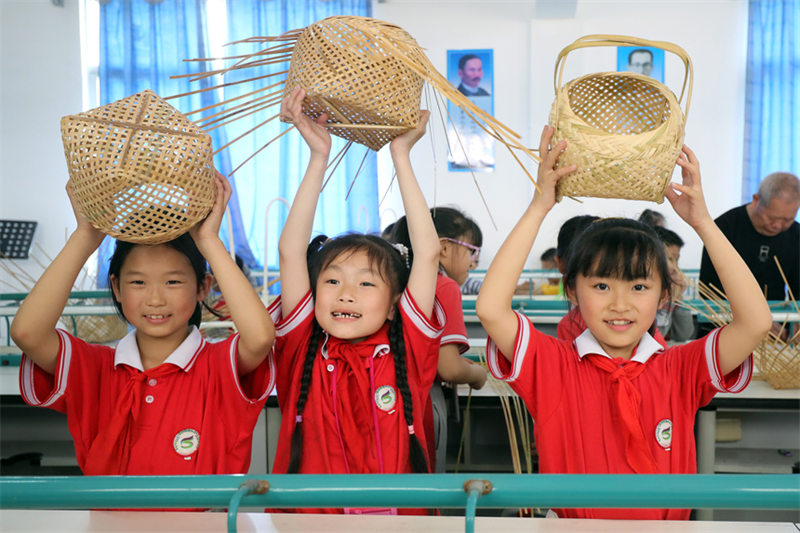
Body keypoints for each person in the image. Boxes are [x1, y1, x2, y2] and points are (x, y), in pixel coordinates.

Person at [475, 126, 771, 520]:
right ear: (573, 291)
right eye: (600, 284)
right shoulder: (554, 366)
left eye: (638, 286)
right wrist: (538, 207)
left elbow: (755, 323)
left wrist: (703, 223)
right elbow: (492, 309)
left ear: (664, 295)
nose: (620, 304)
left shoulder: (679, 368)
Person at [11, 172, 276, 476]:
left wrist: (208, 240)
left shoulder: (217, 366)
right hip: (107, 524)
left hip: (204, 525)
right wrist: (85, 237)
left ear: (203, 287)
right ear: (116, 287)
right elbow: (27, 332)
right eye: (138, 282)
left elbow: (259, 338)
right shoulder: (96, 368)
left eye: (173, 281)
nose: (155, 299)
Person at [269, 88, 442, 513]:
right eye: (332, 281)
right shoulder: (302, 344)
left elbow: (430, 252)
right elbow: (291, 251)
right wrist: (317, 155)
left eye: (366, 284)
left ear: (393, 302)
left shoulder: (408, 345)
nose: (346, 294)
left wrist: (400, 154)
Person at [390, 207, 488, 472]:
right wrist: (478, 375)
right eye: (471, 250)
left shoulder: (389, 280)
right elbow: (448, 367)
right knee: (422, 485)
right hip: (419, 403)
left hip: (381, 397)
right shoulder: (443, 286)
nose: (471, 262)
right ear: (443, 248)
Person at [699, 171, 799, 303]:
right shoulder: (724, 228)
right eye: (772, 218)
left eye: (788, 220)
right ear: (756, 200)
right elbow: (708, 288)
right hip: (725, 317)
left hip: (777, 318)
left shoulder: (796, 235)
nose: (778, 225)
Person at [653, 226, 694, 342]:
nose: (676, 268)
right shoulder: (644, 293)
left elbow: (683, 335)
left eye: (677, 260)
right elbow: (653, 340)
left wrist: (678, 300)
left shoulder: (668, 288)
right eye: (670, 259)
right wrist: (667, 304)